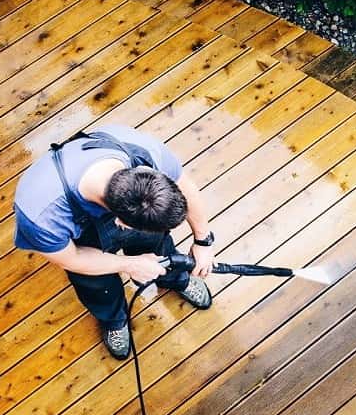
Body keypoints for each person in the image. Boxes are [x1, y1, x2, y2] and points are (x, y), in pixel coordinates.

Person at [13, 124, 216, 360]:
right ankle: (114, 319)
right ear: (121, 222)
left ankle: (175, 278)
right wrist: (129, 264)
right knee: (96, 284)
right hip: (81, 245)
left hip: (122, 217)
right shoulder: (41, 215)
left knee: (160, 247)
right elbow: (73, 259)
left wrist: (203, 241)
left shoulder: (143, 152)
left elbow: (185, 187)